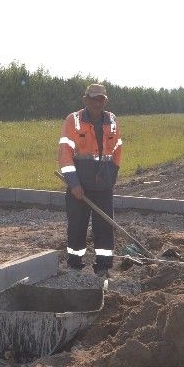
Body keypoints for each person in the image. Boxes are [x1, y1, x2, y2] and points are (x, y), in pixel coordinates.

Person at [58, 83, 123, 275]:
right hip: (80, 186)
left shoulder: (112, 120)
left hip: (104, 185)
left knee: (104, 227)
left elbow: (118, 150)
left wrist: (112, 177)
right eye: (93, 99)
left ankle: (103, 266)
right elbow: (65, 154)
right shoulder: (73, 120)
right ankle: (75, 264)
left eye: (101, 99)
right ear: (85, 100)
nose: (97, 103)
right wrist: (74, 184)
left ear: (105, 101)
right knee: (77, 225)